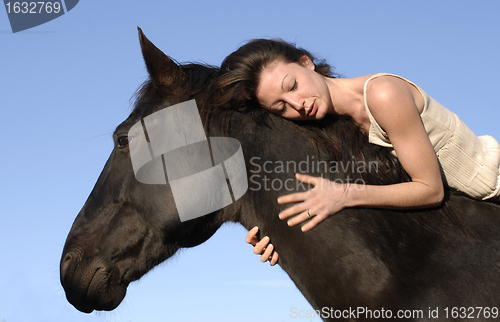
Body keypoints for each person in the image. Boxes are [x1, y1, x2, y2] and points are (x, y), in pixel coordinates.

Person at [214, 38, 500, 265]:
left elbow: (430, 189)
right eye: (281, 107)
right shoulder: (331, 130)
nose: (297, 104)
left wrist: (345, 194)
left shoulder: (383, 94)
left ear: (306, 62)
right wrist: (279, 235)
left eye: (293, 86)